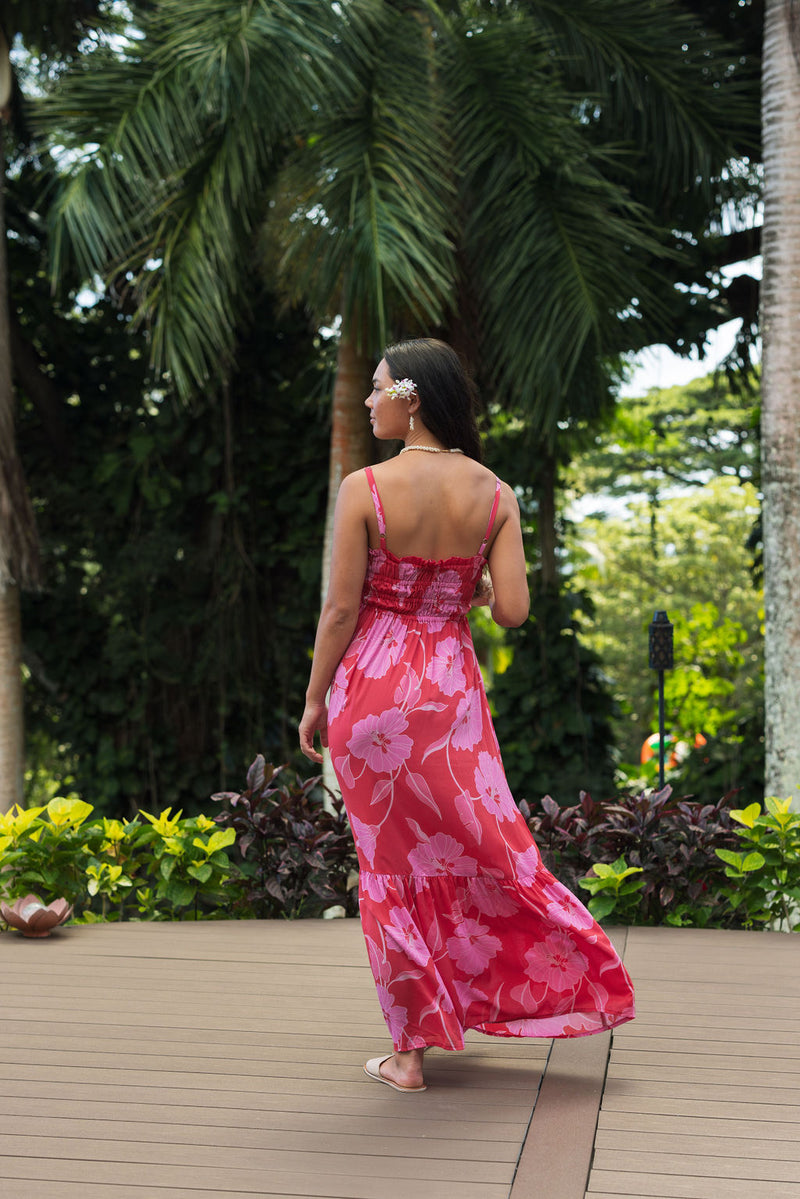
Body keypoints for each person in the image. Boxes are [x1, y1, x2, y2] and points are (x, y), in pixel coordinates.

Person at [299, 338, 635, 1094]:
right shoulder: (496, 492)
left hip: (372, 697)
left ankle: (410, 1051)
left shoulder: (364, 487)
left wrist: (315, 697)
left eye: (377, 388)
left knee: (391, 871)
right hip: (448, 697)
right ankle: (582, 975)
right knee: (485, 850)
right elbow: (514, 609)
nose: (368, 400)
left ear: (411, 399)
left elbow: (342, 607)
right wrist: (467, 590)